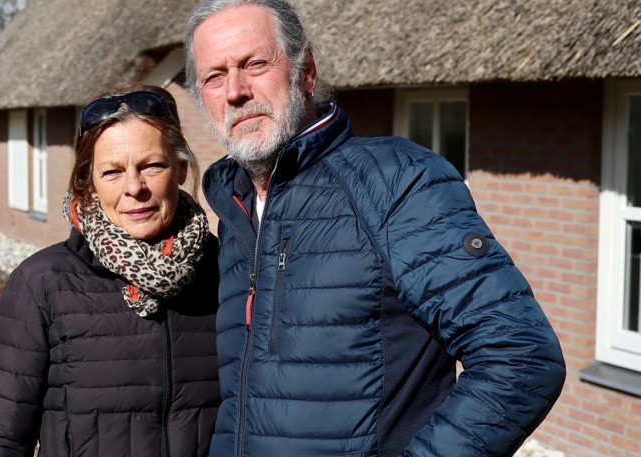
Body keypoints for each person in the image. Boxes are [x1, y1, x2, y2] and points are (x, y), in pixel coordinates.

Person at [184, 1, 567, 456]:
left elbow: (521, 356)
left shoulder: (397, 182)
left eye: (255, 63)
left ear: (306, 70)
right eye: (214, 76)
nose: (235, 91)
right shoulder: (233, 210)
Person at [0, 85, 221, 457]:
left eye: (152, 165)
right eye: (112, 172)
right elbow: (0, 441)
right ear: (89, 182)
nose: (134, 187)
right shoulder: (41, 285)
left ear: (181, 169)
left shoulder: (226, 269)